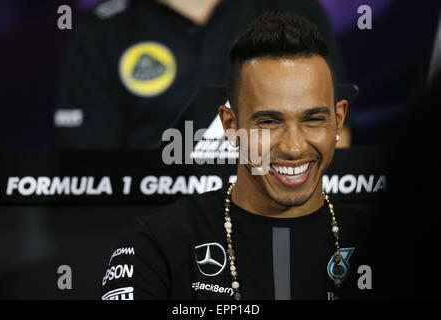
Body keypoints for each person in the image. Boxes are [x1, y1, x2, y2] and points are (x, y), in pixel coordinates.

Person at [101, 12, 372, 300]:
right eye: (269, 122)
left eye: (313, 119)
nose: (294, 147)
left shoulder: (385, 242)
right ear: (231, 125)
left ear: (339, 120)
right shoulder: (158, 245)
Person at [56, 0, 351, 149]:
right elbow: (88, 177)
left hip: (281, 229)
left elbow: (336, 139)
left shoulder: (295, 9)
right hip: (150, 242)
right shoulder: (100, 32)